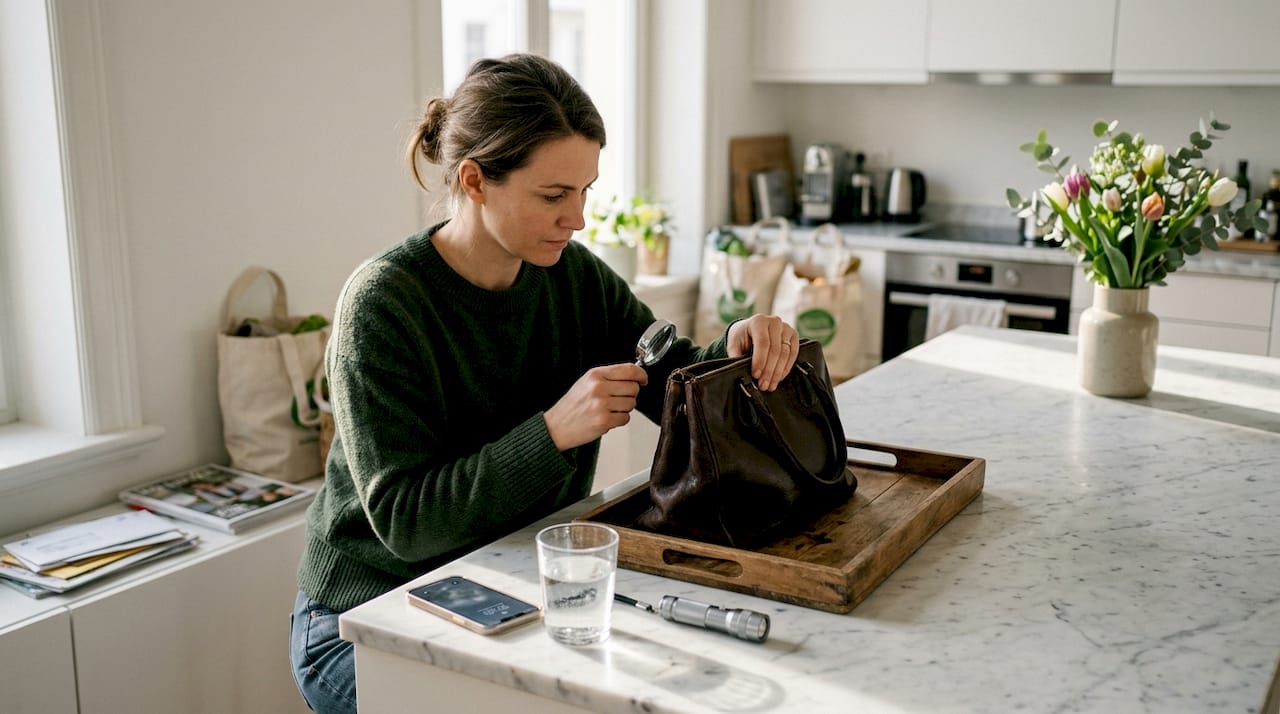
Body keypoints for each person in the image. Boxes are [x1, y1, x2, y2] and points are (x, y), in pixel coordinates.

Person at [288, 53, 799, 714]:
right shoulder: (385, 305)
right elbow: (407, 524)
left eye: (586, 191)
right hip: (368, 615)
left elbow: (672, 383)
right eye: (555, 196)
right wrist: (555, 433)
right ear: (475, 181)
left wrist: (734, 348)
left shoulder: (573, 277)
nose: (579, 218)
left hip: (514, 589)